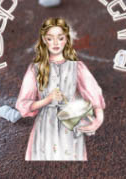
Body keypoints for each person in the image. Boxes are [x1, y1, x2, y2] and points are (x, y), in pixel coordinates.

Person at [14, 17, 105, 161]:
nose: (55, 43)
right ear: (44, 40)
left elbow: (93, 92)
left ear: (67, 39)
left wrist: (98, 119)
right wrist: (47, 100)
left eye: (60, 38)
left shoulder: (77, 67)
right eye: (50, 38)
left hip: (71, 121)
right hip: (45, 127)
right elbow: (23, 104)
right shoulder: (35, 69)